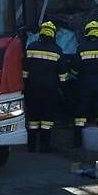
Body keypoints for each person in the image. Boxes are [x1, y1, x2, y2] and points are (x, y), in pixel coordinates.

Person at [24, 21, 68, 153]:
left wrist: (24, 86)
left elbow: (24, 71)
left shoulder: (31, 47)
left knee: (32, 118)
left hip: (32, 89)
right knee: (47, 119)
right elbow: (63, 75)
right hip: (50, 90)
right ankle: (44, 147)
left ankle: (31, 146)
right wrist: (65, 90)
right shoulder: (57, 50)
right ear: (53, 34)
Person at [72, 20, 98, 147]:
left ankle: (78, 140)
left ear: (87, 33)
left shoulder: (81, 48)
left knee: (81, 111)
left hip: (85, 82)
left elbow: (75, 68)